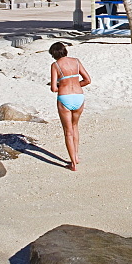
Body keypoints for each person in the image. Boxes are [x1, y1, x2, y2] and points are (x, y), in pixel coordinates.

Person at [49, 42, 91, 172]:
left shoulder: (55, 65)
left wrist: (62, 85)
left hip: (65, 97)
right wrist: (75, 84)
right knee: (75, 127)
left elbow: (54, 88)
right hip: (79, 96)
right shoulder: (76, 61)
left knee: (68, 131)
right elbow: (87, 80)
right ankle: (76, 157)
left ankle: (72, 163)